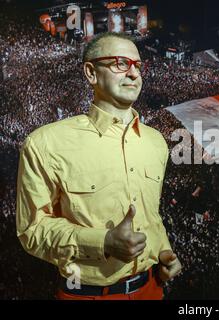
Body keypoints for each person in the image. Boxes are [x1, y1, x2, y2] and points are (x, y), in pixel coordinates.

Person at [15, 32, 182, 300]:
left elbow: (152, 215)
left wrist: (164, 251)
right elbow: (31, 230)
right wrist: (103, 242)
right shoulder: (46, 143)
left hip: (152, 289)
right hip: (87, 294)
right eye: (119, 63)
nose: (133, 73)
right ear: (91, 73)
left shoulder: (156, 142)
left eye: (138, 65)